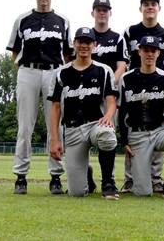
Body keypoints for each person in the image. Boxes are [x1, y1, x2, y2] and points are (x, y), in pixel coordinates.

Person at [6, 0, 73, 195]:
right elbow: (14, 51)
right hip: (28, 71)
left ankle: (55, 176)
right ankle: (21, 176)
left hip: (54, 71)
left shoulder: (63, 20)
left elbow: (67, 54)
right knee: (25, 125)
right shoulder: (22, 19)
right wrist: (24, 71)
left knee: (55, 125)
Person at [48, 27, 119, 199]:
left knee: (107, 136)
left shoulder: (104, 70)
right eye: (80, 42)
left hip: (96, 124)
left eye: (88, 42)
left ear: (94, 45)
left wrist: (108, 117)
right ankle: (86, 173)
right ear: (74, 43)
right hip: (73, 129)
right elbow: (55, 107)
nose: (84, 46)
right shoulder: (61, 72)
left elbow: (111, 102)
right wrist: (55, 139)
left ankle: (108, 182)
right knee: (77, 192)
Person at [122, 0, 164, 193]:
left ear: (159, 8)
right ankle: (131, 180)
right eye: (146, 4)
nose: (150, 7)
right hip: (135, 82)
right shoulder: (130, 31)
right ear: (140, 8)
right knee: (134, 123)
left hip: (158, 83)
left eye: (153, 4)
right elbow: (123, 58)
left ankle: (158, 181)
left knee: (160, 125)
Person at [118, 36, 164, 199]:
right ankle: (140, 182)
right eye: (146, 50)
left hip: (159, 131)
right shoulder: (126, 78)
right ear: (139, 52)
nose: (149, 53)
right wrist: (125, 141)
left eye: (153, 50)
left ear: (159, 53)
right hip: (137, 135)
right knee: (142, 192)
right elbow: (122, 113)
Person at [88, 0, 129, 194]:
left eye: (105, 10)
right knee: (83, 129)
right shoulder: (86, 36)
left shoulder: (117, 37)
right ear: (93, 13)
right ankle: (85, 171)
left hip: (110, 92)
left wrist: (110, 81)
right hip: (87, 93)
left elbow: (122, 64)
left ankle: (109, 178)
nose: (102, 13)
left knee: (108, 131)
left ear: (110, 13)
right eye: (99, 9)